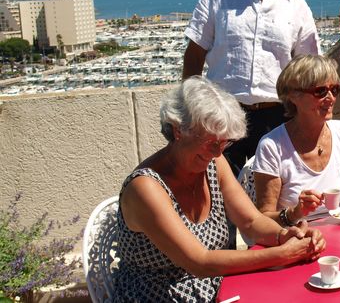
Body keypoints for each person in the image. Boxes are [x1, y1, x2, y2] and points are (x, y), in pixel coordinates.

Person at [113, 76, 325, 302]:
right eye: (210, 142)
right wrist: (281, 254)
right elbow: (199, 262)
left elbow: (251, 221)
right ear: (178, 130)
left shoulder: (213, 162)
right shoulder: (145, 188)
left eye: (224, 143)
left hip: (221, 289)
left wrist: (284, 235)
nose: (217, 152)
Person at [182, 0, 320, 175]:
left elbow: (308, 68)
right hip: (222, 116)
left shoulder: (297, 4)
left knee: (270, 198)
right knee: (217, 196)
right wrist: (189, 111)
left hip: (277, 119)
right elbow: (195, 53)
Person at [252, 55, 340, 225]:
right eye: (320, 91)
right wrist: (294, 213)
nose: (331, 98)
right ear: (293, 96)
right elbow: (262, 219)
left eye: (334, 90)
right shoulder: (272, 146)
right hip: (297, 239)